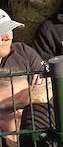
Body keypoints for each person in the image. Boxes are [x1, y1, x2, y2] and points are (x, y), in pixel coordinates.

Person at [0, 9, 55, 147]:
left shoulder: (23, 52)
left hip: (32, 132)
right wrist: (25, 97)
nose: (8, 36)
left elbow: (46, 90)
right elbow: (35, 94)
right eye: (0, 32)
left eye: (10, 29)